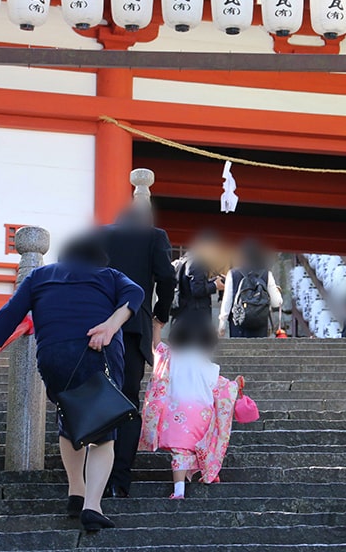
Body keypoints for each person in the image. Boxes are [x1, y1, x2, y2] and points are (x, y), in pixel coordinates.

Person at [0, 237, 145, 532]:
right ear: (98, 259)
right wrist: (112, 325)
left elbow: (11, 311)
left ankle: (75, 493)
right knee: (104, 428)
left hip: (52, 357)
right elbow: (136, 293)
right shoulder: (109, 275)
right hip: (96, 351)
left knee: (69, 416)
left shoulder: (39, 275)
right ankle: (92, 505)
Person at [99, 205, 177, 499]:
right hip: (133, 328)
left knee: (98, 395)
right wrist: (160, 314)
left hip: (97, 326)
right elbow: (167, 277)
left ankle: (93, 477)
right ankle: (120, 478)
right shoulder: (154, 236)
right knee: (128, 399)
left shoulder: (98, 235)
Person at [139, 319, 245, 499]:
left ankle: (179, 490)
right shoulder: (209, 366)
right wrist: (236, 386)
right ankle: (207, 471)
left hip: (175, 412)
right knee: (201, 444)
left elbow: (156, 348)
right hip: (201, 414)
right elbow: (221, 388)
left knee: (180, 451)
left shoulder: (171, 357)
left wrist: (156, 328)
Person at [218, 240, 283, 338]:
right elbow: (276, 302)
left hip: (238, 325)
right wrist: (277, 291)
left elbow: (227, 302)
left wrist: (221, 326)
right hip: (260, 326)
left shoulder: (233, 274)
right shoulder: (267, 274)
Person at [171, 231, 226, 325]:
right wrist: (215, 285)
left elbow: (191, 284)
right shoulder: (197, 263)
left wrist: (213, 281)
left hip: (182, 313)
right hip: (195, 317)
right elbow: (197, 290)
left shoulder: (184, 259)